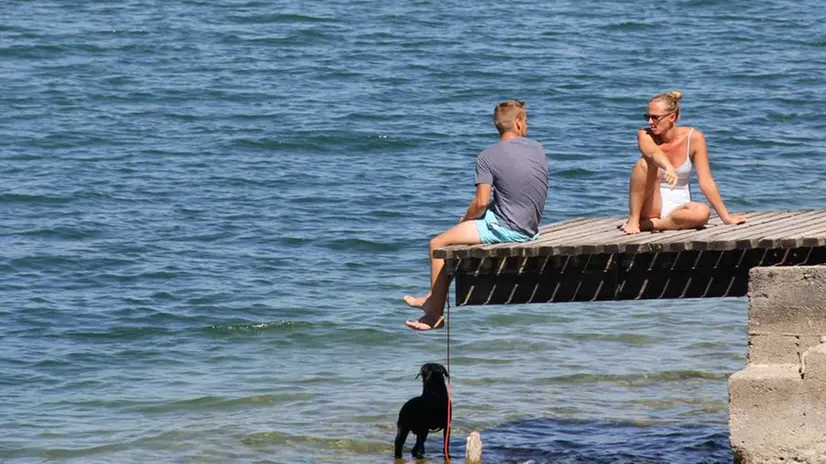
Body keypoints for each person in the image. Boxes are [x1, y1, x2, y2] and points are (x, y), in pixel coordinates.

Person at [403, 100, 549, 331]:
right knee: (455, 244)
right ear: (519, 123)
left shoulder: (487, 156)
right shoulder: (537, 148)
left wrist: (466, 220)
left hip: (508, 228)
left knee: (438, 244)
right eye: (527, 120)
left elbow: (480, 202)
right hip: (530, 226)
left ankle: (434, 315)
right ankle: (433, 298)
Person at [620, 90, 746, 235]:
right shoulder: (644, 134)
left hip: (679, 209)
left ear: (672, 117)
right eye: (647, 117)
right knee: (644, 164)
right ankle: (634, 220)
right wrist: (668, 167)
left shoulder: (694, 138)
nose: (650, 122)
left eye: (655, 118)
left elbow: (706, 181)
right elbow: (653, 153)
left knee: (702, 212)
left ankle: (653, 225)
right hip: (652, 205)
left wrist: (726, 217)